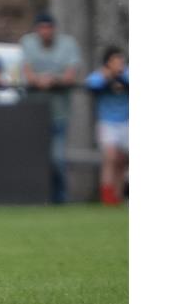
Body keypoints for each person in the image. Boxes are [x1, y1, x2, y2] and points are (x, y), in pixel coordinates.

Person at [18, 12, 82, 203]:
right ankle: (34, 198)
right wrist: (39, 80)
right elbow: (28, 74)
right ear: (36, 29)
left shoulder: (68, 44)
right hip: (33, 111)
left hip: (58, 113)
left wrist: (53, 80)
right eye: (42, 28)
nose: (45, 32)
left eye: (49, 27)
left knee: (57, 158)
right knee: (34, 158)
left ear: (54, 29)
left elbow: (70, 76)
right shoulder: (27, 43)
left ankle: (60, 199)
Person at [84, 47, 128, 205]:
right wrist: (109, 76)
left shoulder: (126, 74)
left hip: (126, 122)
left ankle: (118, 194)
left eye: (121, 62)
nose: (119, 65)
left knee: (123, 160)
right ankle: (107, 196)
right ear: (108, 63)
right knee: (110, 157)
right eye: (115, 62)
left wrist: (120, 76)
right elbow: (91, 84)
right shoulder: (100, 75)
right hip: (107, 122)